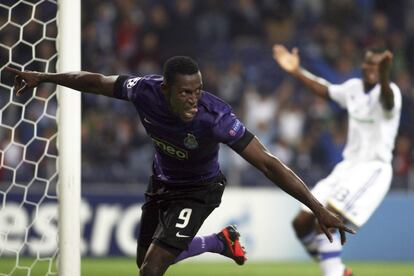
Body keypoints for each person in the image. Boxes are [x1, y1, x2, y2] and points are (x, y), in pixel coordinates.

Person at [5, 56, 353, 276]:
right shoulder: (144, 90)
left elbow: (268, 163)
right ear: (167, 88)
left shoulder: (216, 117)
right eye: (185, 92)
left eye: (198, 91)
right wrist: (45, 76)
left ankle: (218, 242)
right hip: (161, 183)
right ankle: (219, 243)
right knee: (144, 262)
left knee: (152, 268)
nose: (193, 99)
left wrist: (315, 207)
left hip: (200, 190)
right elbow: (94, 82)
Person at [273, 45, 402, 276]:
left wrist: (384, 76)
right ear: (363, 66)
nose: (373, 68)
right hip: (347, 167)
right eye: (369, 64)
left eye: (378, 66)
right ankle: (336, 269)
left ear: (384, 69)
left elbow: (388, 101)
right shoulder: (353, 88)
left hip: (373, 168)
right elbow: (325, 90)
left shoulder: (389, 92)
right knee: (301, 223)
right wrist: (295, 71)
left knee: (327, 219)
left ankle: (332, 272)